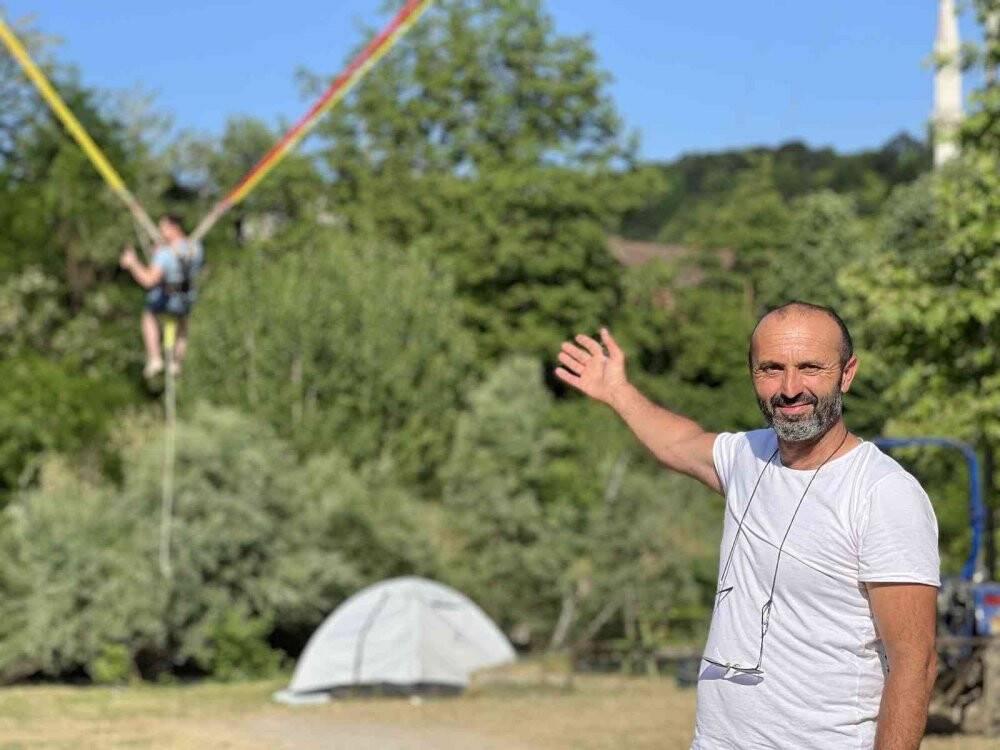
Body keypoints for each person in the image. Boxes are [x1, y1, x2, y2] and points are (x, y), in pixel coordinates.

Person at [556, 301, 940, 750]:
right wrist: (617, 390)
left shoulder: (882, 493)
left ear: (846, 374)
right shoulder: (748, 457)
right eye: (771, 369)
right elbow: (677, 443)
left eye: (811, 367)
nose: (790, 387)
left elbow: (916, 664)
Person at [119, 214, 203, 378]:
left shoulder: (165, 254)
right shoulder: (196, 249)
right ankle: (176, 363)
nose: (160, 231)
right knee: (183, 324)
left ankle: (155, 357)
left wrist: (133, 263)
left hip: (166, 299)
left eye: (163, 227)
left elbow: (149, 281)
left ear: (174, 228)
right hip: (185, 298)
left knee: (148, 316)